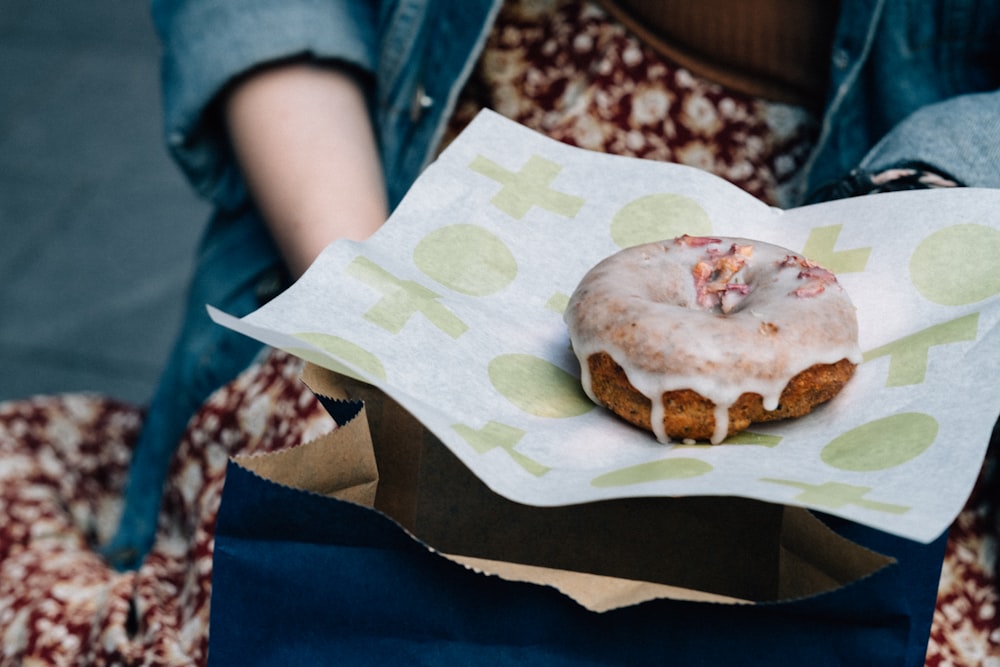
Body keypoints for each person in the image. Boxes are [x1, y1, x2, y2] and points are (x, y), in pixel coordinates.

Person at [102, 0, 1000, 573]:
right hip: (423, 197)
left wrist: (925, 225)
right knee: (331, 555)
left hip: (877, 230)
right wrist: (361, 283)